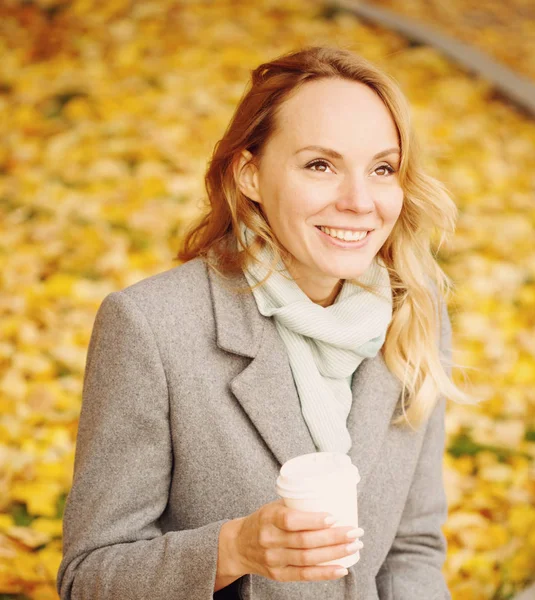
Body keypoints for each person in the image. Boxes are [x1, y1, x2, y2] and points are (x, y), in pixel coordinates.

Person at [56, 45, 474, 600]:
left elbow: (411, 548)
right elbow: (88, 576)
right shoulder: (152, 328)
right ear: (250, 174)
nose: (359, 201)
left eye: (382, 168)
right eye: (320, 165)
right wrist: (234, 549)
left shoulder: (413, 314)